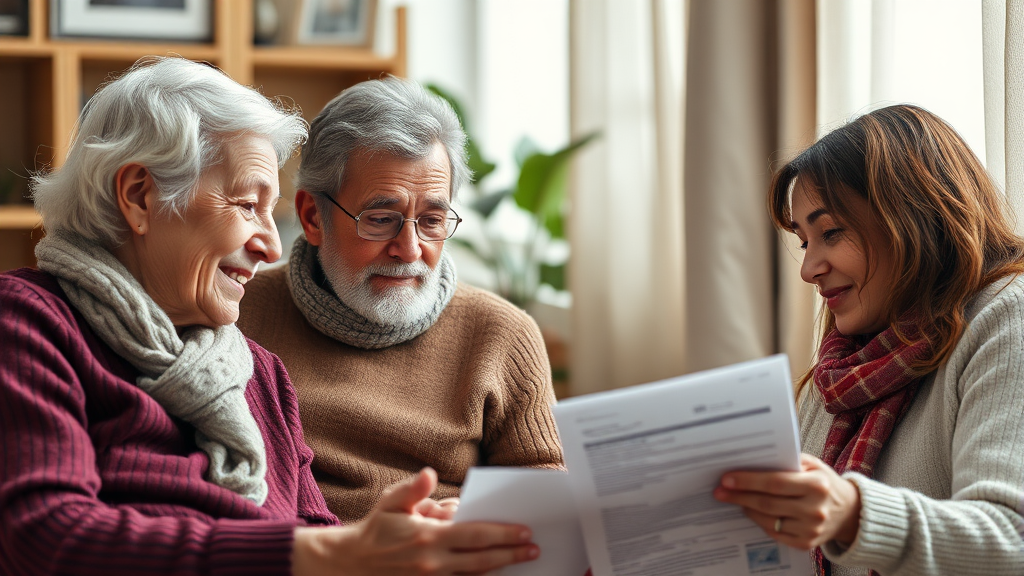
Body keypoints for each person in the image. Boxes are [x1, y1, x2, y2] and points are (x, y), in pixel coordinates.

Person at [0, 56, 541, 576]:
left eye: (269, 211)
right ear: (140, 197)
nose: (267, 244)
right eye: (245, 206)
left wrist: (396, 542)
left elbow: (316, 528)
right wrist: (332, 555)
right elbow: (46, 536)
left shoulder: (257, 370)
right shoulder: (30, 323)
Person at [712, 104, 1024, 575]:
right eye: (803, 241)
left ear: (914, 215)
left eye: (831, 232)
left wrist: (853, 515)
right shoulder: (842, 367)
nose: (808, 268)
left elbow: (1013, 540)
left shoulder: (1006, 317)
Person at [236, 76, 565, 523]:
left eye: (431, 220)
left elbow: (546, 499)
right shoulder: (237, 313)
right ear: (314, 217)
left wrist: (467, 520)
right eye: (381, 218)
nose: (409, 250)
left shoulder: (502, 335)